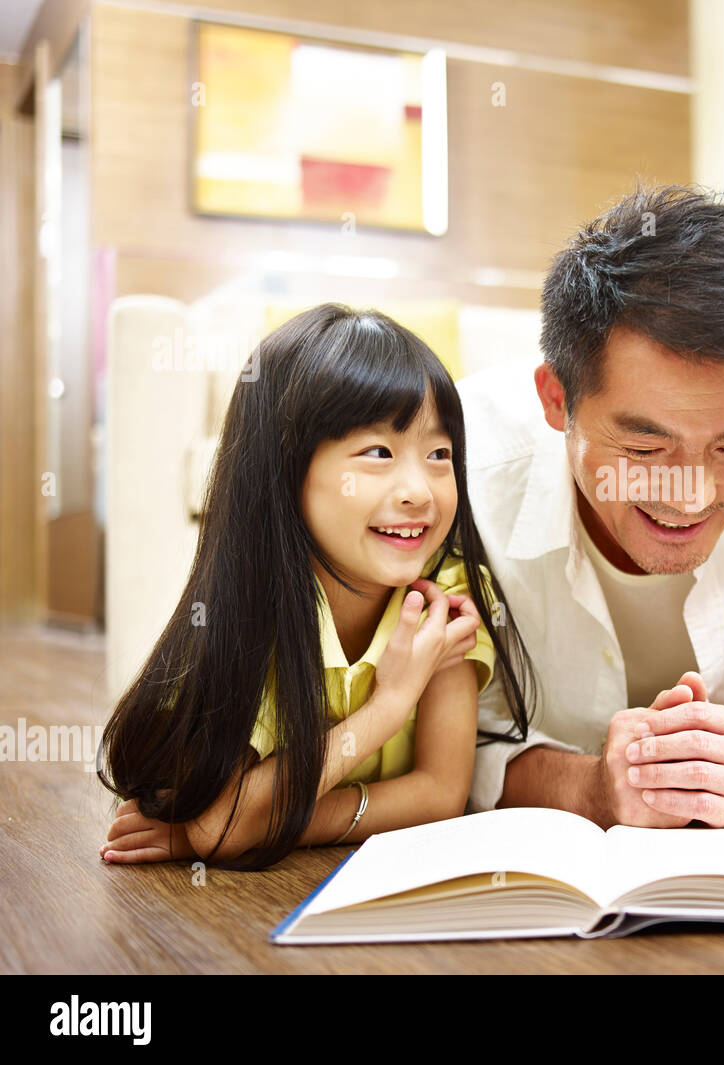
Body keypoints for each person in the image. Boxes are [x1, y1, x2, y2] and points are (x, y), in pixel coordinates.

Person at [458, 185, 724, 828]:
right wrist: (592, 787)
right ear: (556, 400)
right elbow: (455, 740)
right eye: (647, 448)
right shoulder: (456, 469)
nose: (692, 496)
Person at [98, 305, 532, 869]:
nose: (419, 491)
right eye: (378, 452)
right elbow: (222, 823)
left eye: (438, 455)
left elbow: (440, 794)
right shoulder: (253, 610)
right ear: (286, 468)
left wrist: (262, 823)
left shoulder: (443, 596)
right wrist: (390, 703)